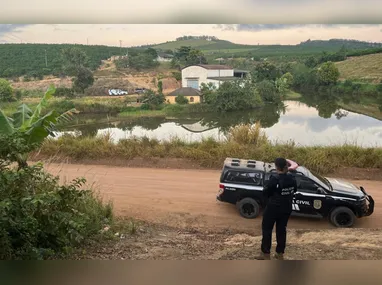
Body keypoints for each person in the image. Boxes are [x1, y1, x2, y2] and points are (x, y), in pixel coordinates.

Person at [255, 157, 297, 260]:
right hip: (286, 208)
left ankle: (265, 254)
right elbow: (294, 190)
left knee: (267, 230)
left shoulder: (275, 179)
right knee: (281, 231)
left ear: (276, 166)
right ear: (286, 166)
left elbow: (266, 192)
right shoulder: (292, 178)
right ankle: (279, 254)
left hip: (273, 208)